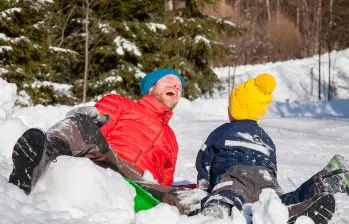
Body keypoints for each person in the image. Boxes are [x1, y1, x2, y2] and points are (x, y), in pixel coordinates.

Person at [8, 68, 192, 213]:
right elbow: (92, 126)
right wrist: (88, 119)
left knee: (190, 197)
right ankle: (36, 161)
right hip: (109, 159)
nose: (176, 87)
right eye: (170, 80)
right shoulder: (121, 103)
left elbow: (166, 179)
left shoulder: (172, 139)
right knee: (82, 123)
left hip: (143, 182)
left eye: (179, 87)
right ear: (151, 87)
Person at [195, 74, 348, 223]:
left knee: (230, 196)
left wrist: (204, 185)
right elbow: (272, 164)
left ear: (234, 109)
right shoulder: (265, 137)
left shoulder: (222, 131)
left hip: (234, 177)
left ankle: (220, 209)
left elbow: (204, 159)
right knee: (276, 202)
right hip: (265, 179)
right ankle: (317, 186)